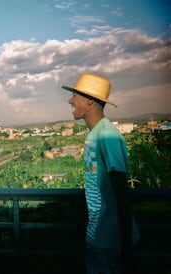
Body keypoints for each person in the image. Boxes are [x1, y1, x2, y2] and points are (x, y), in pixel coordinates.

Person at [61, 73, 139, 274]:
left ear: (89, 100)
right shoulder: (95, 134)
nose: (70, 101)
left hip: (111, 242)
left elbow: (121, 192)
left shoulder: (107, 135)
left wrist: (126, 248)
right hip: (98, 237)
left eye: (75, 96)